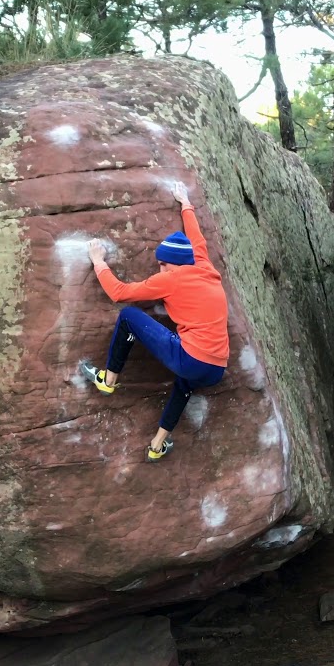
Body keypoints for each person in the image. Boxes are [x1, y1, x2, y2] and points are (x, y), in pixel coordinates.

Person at [81, 184, 229, 462]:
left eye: (163, 264)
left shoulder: (170, 280)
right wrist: (185, 202)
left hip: (191, 358)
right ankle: (157, 446)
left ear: (173, 265)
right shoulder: (203, 265)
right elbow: (196, 238)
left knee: (128, 316)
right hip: (216, 368)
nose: (160, 268)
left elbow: (119, 293)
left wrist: (98, 261)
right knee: (185, 384)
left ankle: (108, 380)